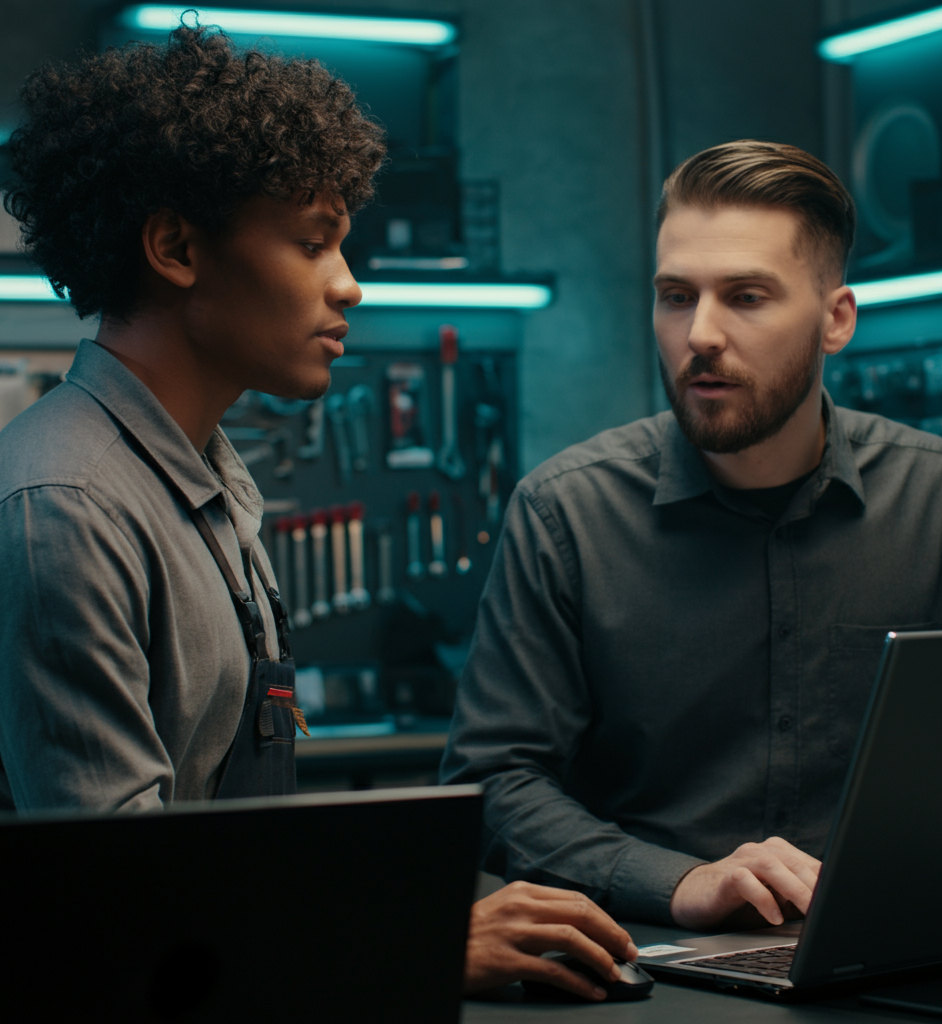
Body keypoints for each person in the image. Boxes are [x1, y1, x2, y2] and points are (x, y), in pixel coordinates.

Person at [0, 25, 633, 1000]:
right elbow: (119, 911)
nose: (349, 282)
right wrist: (407, 935)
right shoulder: (66, 509)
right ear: (174, 247)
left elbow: (229, 864)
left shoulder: (207, 484)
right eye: (311, 240)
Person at [441, 140, 942, 931]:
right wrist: (677, 883)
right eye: (676, 296)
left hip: (889, 949)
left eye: (746, 297)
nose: (701, 334)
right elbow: (494, 783)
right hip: (650, 961)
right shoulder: (566, 514)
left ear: (835, 320)